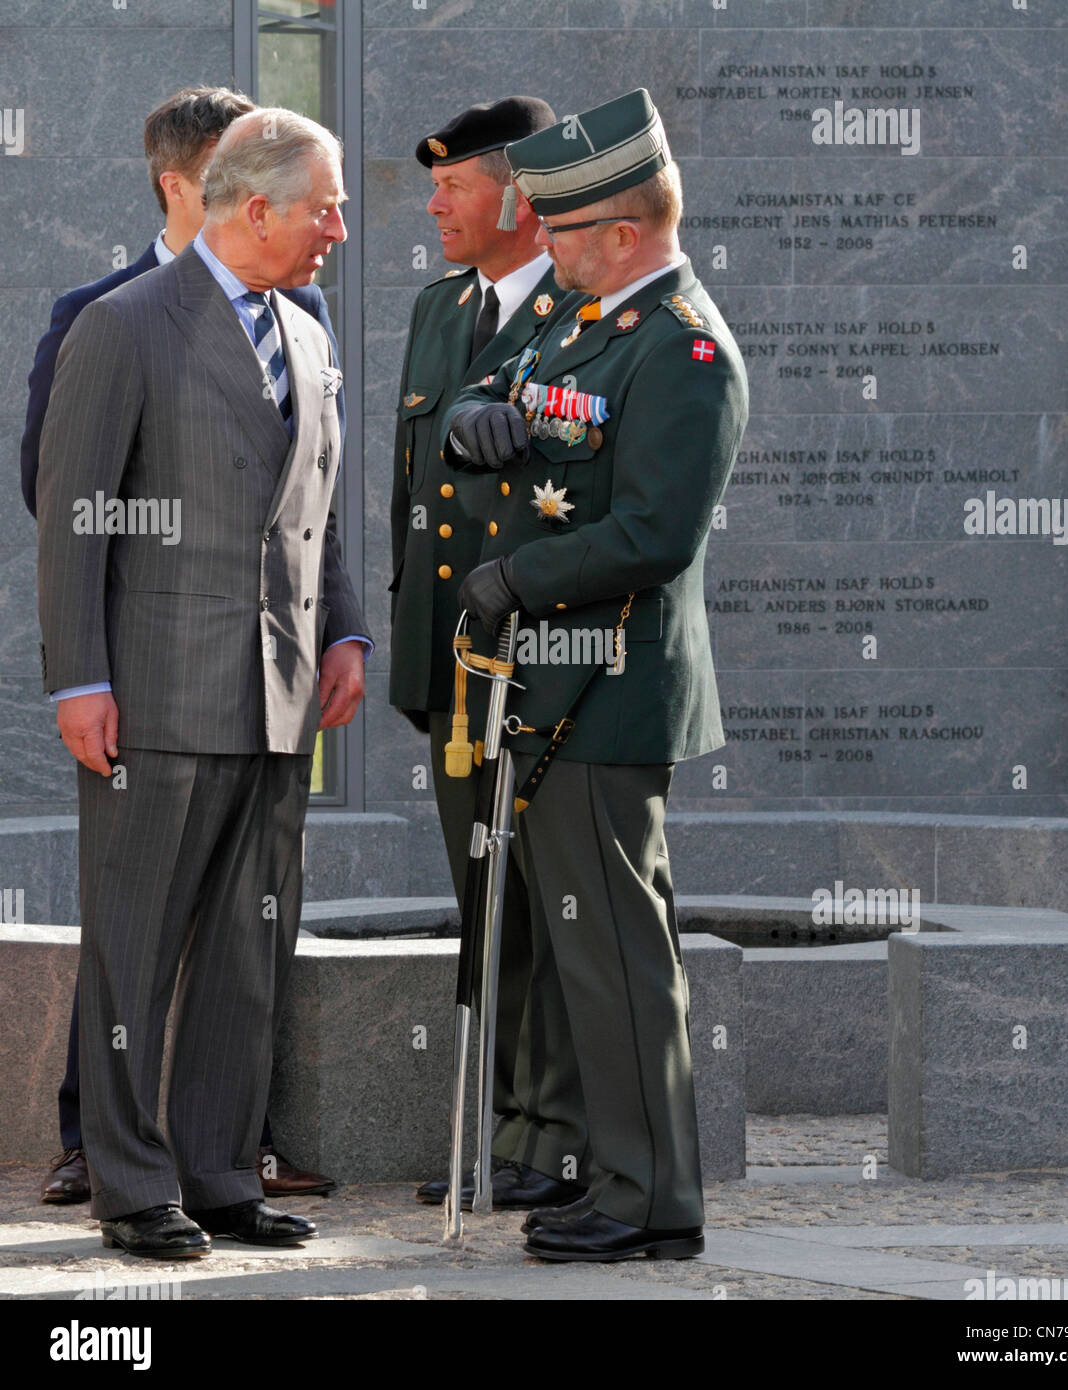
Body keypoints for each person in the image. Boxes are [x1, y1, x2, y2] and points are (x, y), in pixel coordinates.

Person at [35, 108, 370, 1258]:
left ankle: (222, 1173)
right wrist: (78, 677)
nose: (340, 225)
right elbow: (73, 520)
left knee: (247, 943)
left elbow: (327, 511)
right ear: (256, 207)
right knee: (133, 945)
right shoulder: (122, 325)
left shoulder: (312, 334)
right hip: (157, 691)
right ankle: (133, 1184)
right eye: (325, 204)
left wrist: (347, 633)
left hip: (282, 693)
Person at [442, 88, 749, 1261]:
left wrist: (514, 582)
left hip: (607, 686)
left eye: (563, 231)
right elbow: (504, 386)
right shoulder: (579, 319)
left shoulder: (683, 345)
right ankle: (614, 1173)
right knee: (586, 949)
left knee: (620, 952)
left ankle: (651, 1198)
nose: (545, 245)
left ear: (622, 231)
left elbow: (653, 533)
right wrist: (478, 414)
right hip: (544, 687)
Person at [387, 96, 582, 1213]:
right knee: (484, 902)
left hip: (538, 664)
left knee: (548, 909)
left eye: (453, 185)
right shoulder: (438, 307)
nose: (435, 204)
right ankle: (500, 1127)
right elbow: (410, 499)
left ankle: (549, 1138)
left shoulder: (581, 307)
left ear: (516, 194)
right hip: (449, 667)